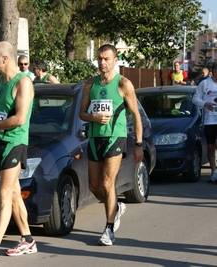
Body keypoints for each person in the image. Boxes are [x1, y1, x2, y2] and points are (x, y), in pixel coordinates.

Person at [0, 41, 37, 263]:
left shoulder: (24, 83)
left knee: (3, 193)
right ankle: (28, 240)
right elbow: (1, 112)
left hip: (15, 143)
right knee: (12, 193)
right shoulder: (2, 81)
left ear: (4, 58)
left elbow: (19, 118)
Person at [79, 44, 144, 246]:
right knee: (94, 186)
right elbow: (82, 113)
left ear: (115, 61)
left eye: (107, 59)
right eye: (100, 58)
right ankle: (116, 207)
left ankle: (108, 230)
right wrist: (94, 117)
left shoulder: (123, 84)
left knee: (108, 183)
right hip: (94, 137)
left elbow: (136, 115)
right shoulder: (90, 84)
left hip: (116, 137)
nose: (102, 62)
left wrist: (139, 144)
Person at [192, 62, 217, 183]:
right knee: (211, 147)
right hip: (209, 121)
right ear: (214, 71)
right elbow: (195, 99)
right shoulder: (205, 84)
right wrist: (205, 104)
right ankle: (214, 172)